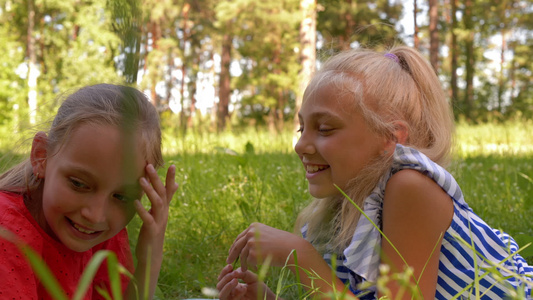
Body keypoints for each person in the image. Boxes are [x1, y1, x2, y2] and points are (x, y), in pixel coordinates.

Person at [216, 46, 533, 300]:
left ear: (390, 138)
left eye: (324, 128)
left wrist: (303, 259)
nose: (301, 145)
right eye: (302, 127)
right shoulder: (342, 206)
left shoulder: (411, 186)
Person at [0, 84, 179, 299]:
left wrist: (150, 257)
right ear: (41, 156)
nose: (95, 215)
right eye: (78, 184)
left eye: (121, 196)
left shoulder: (99, 231)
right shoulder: (6, 236)